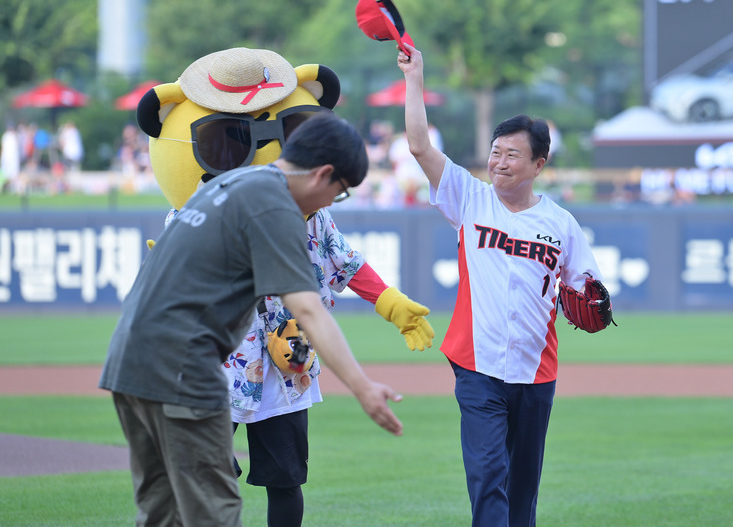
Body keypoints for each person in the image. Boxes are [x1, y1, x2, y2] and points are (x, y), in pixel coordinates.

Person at [99, 112, 404, 527]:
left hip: (128, 364)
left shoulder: (227, 182)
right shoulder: (274, 204)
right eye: (340, 191)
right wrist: (364, 388)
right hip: (183, 369)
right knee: (213, 512)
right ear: (323, 174)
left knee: (162, 509)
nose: (332, 203)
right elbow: (309, 309)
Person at [397, 45, 607, 526]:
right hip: (477, 363)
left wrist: (592, 300)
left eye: (514, 154)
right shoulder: (469, 198)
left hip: (536, 370)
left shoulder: (561, 224)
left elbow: (586, 288)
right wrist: (415, 78)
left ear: (539, 164)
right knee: (488, 470)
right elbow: (419, 147)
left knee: (523, 488)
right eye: (496, 151)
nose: (500, 161)